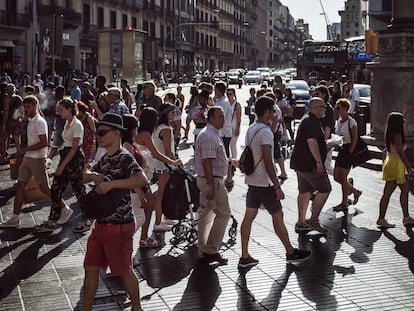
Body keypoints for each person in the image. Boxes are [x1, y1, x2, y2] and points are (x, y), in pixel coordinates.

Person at [82, 113, 146, 311]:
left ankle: (137, 308)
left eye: (102, 133)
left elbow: (141, 180)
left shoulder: (124, 158)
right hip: (101, 224)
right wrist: (93, 175)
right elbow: (84, 176)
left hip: (119, 226)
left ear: (117, 133)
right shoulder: (105, 158)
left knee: (124, 271)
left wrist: (111, 185)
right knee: (90, 268)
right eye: (97, 132)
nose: (98, 137)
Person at [238, 96, 311, 268]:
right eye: (273, 110)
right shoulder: (265, 133)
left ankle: (244, 255)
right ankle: (290, 252)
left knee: (249, 216)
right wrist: (277, 185)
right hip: (264, 182)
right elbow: (268, 161)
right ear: (267, 112)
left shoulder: (251, 128)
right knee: (278, 216)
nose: (276, 113)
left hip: (252, 180)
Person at [35, 99, 87, 232]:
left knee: (79, 190)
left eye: (61, 109)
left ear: (69, 109)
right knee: (56, 189)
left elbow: (75, 148)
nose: (59, 112)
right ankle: (52, 220)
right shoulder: (67, 123)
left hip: (74, 159)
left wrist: (62, 166)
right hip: (66, 155)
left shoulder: (77, 125)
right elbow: (61, 143)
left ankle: (86, 220)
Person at [0, 95, 50, 228]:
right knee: (20, 186)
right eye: (24, 107)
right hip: (28, 158)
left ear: (35, 106)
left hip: (38, 159)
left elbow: (44, 143)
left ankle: (63, 208)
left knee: (44, 188)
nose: (26, 109)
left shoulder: (39, 122)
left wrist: (25, 149)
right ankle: (15, 218)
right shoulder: (29, 121)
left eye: (28, 107)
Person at [135, 107, 181, 234]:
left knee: (157, 196)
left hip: (147, 168)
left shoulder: (143, 132)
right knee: (157, 197)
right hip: (152, 168)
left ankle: (159, 220)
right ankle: (157, 223)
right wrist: (173, 162)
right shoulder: (146, 134)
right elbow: (156, 153)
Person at [194, 106, 231, 265]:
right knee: (223, 213)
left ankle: (203, 248)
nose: (222, 119)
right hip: (212, 180)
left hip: (210, 179)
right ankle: (211, 250)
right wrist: (211, 185)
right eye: (219, 117)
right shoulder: (209, 136)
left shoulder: (211, 133)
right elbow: (207, 162)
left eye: (223, 116)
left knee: (207, 214)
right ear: (210, 118)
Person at [290, 97, 332, 233]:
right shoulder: (311, 122)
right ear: (314, 108)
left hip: (300, 163)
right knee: (325, 189)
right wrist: (319, 162)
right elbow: (311, 142)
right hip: (310, 165)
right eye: (322, 107)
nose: (324, 109)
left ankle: (301, 222)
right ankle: (313, 220)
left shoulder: (307, 119)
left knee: (305, 191)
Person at [121, 114, 157, 249]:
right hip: (135, 186)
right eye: (136, 127)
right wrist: (140, 193)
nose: (137, 130)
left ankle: (136, 242)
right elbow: (130, 170)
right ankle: (123, 248)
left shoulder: (130, 143)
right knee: (139, 218)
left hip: (139, 184)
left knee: (143, 213)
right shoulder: (127, 146)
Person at [377, 112, 414, 228]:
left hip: (391, 162)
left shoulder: (389, 133)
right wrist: (408, 166)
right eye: (402, 120)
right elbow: (400, 151)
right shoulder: (397, 134)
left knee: (387, 192)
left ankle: (382, 218)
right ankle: (406, 217)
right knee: (404, 190)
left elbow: (385, 150)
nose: (404, 122)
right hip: (397, 163)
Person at [152, 103, 181, 229]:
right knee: (162, 194)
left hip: (159, 164)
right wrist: (176, 161)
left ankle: (163, 218)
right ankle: (158, 222)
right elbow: (168, 151)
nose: (174, 115)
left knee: (163, 193)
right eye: (172, 113)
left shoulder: (158, 127)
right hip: (165, 165)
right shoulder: (166, 129)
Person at [332, 99, 362, 211]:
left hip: (348, 150)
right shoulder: (339, 122)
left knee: (343, 177)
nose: (337, 110)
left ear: (345, 109)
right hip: (341, 149)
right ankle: (355, 191)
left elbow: (355, 138)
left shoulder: (351, 122)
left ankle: (344, 202)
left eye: (338, 108)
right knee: (336, 176)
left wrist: (350, 152)